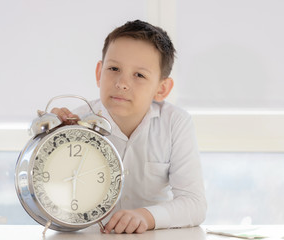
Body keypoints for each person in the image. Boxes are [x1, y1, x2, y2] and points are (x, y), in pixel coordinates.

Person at [51, 20, 207, 234]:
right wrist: (52, 141)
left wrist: (145, 216)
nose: (121, 83)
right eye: (114, 68)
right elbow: (55, 195)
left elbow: (194, 204)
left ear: (162, 88)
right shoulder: (76, 122)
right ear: (99, 72)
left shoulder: (175, 122)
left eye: (139, 75)